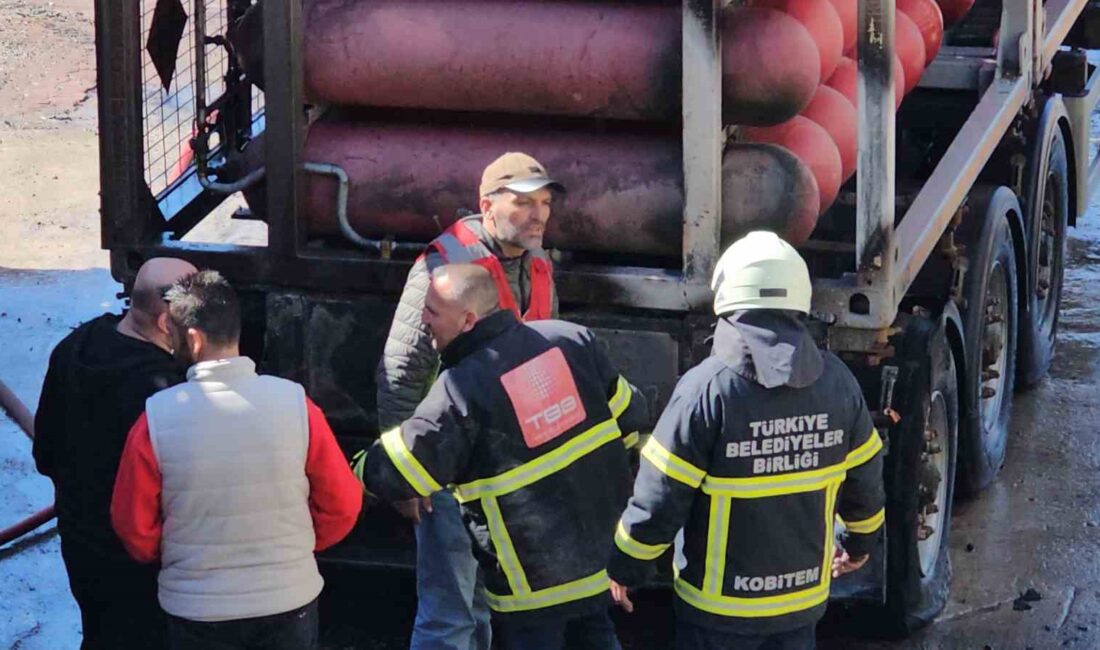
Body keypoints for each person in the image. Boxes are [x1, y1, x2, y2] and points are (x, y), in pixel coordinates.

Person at [607, 231, 886, 650]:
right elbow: (865, 482)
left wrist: (627, 566)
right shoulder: (839, 383)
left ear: (727, 299)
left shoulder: (706, 390)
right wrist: (859, 544)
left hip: (718, 610)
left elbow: (661, 496)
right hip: (801, 602)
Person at [357, 264, 647, 649]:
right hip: (597, 567)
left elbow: (401, 469)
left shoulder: (461, 387)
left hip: (530, 591)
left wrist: (355, 467)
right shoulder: (570, 340)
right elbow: (632, 417)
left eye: (431, 311)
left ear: (468, 320)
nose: (423, 321)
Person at [109, 270, 363, 650]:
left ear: (193, 339)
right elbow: (343, 504)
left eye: (174, 335)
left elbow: (133, 526)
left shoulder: (156, 419)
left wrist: (181, 558)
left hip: (196, 611)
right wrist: (295, 549)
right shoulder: (296, 405)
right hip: (288, 601)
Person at [375, 152, 563, 649]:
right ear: (487, 205)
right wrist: (404, 479)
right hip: (451, 465)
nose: (539, 215)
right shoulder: (445, 267)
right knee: (451, 613)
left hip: (505, 466)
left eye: (544, 203)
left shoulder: (536, 262)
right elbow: (400, 372)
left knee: (482, 603)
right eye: (523, 203)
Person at [33, 256, 197, 649]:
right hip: (138, 563)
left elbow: (45, 453)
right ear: (165, 323)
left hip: (81, 545)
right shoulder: (164, 394)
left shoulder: (75, 347)